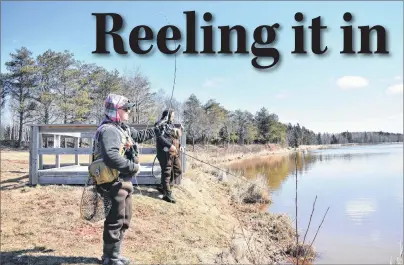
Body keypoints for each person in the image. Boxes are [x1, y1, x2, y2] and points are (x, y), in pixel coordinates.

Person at [91, 93, 165, 265]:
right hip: (113, 183)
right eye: (126, 109)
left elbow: (137, 136)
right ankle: (110, 258)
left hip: (122, 182)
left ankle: (114, 255)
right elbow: (111, 157)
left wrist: (157, 129)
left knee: (124, 219)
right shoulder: (109, 130)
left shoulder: (121, 128)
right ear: (115, 110)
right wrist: (134, 167)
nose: (129, 112)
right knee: (115, 221)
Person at [155, 109, 184, 203]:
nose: (173, 117)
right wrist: (170, 146)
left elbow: (174, 138)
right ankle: (167, 193)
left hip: (174, 152)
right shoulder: (159, 124)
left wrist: (179, 146)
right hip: (164, 153)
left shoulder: (171, 126)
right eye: (172, 116)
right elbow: (160, 138)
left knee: (178, 170)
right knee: (167, 172)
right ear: (167, 115)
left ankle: (163, 186)